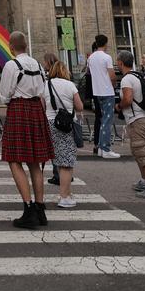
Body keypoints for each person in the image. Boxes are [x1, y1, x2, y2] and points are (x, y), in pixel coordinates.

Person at [0, 31, 53, 228]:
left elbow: (5, 95)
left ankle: (28, 209)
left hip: (19, 109)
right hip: (36, 110)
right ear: (26, 46)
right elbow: (42, 91)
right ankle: (40, 209)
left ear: (11, 47)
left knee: (14, 159)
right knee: (35, 162)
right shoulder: (38, 65)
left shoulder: (11, 65)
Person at [116, 50, 145, 198]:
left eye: (117, 61)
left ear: (121, 63)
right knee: (138, 153)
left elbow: (128, 99)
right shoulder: (137, 75)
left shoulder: (126, 79)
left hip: (138, 121)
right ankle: (144, 181)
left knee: (143, 154)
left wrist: (119, 106)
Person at [44, 59, 84, 209]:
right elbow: (79, 106)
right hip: (65, 125)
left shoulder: (45, 85)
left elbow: (42, 106)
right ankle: (65, 197)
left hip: (49, 123)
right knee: (66, 162)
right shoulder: (70, 85)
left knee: (58, 159)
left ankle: (65, 192)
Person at [86, 34, 120, 159]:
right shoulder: (106, 57)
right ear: (105, 43)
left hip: (97, 91)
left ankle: (100, 146)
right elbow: (112, 75)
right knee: (107, 120)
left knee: (101, 119)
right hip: (107, 91)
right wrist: (114, 85)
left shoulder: (91, 58)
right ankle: (105, 147)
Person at [42, 52, 60, 187]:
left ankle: (57, 174)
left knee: (55, 148)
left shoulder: (47, 83)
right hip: (67, 119)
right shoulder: (67, 80)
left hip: (52, 118)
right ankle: (66, 174)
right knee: (66, 148)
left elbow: (42, 103)